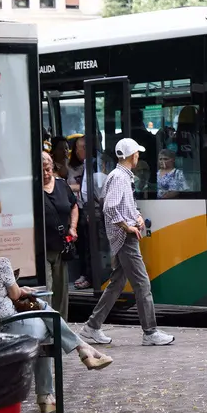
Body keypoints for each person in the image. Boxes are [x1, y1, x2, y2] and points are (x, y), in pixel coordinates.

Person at [0, 212, 113, 413]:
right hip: (11, 327)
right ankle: (81, 351)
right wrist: (23, 290)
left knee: (43, 313)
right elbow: (14, 294)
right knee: (49, 325)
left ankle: (48, 396)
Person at [79, 138, 175, 346]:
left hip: (124, 236)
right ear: (133, 155)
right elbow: (110, 207)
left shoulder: (119, 176)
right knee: (142, 284)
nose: (139, 156)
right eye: (137, 153)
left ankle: (92, 327)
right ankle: (150, 332)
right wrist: (128, 226)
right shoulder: (120, 178)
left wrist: (136, 217)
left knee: (117, 283)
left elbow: (116, 205)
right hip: (126, 239)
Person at [42, 152, 78, 319]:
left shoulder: (62, 185)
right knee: (47, 292)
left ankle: (61, 328)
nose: (45, 174)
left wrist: (73, 227)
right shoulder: (32, 189)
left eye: (48, 169)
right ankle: (48, 330)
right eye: (41, 170)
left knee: (61, 292)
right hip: (42, 249)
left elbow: (73, 206)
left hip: (61, 248)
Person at [67, 136, 92, 290]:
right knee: (81, 245)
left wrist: (72, 187)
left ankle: (89, 275)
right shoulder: (73, 166)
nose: (77, 151)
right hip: (78, 208)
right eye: (76, 148)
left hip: (88, 209)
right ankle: (84, 273)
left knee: (89, 246)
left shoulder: (92, 165)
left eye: (80, 148)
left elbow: (86, 187)